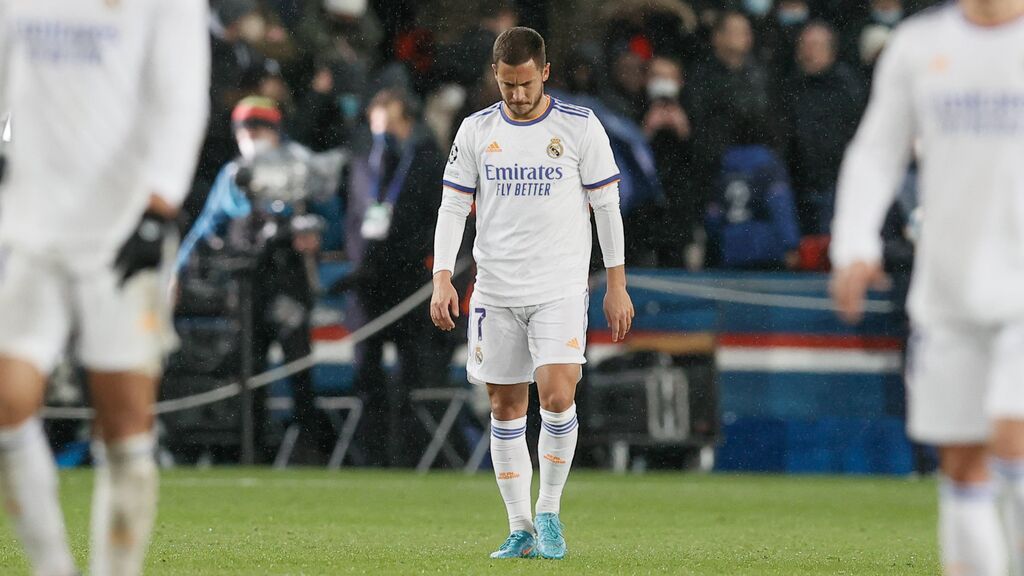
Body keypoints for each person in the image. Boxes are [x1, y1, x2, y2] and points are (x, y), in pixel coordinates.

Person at [0, 1, 209, 575]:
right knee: (6, 403)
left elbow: (180, 97)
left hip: (120, 231)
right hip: (29, 228)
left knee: (123, 421)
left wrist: (159, 205)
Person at [829, 1, 1024, 573]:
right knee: (963, 463)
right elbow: (877, 152)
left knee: (1013, 439)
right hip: (949, 288)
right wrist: (853, 247)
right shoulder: (918, 45)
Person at [430, 27, 634, 560]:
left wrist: (616, 283)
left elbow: (607, 207)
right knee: (504, 406)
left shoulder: (579, 127)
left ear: (544, 73)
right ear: (494, 76)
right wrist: (442, 277)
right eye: (506, 85)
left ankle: (549, 512)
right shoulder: (475, 131)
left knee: (559, 395)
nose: (516, 96)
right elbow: (453, 207)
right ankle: (519, 526)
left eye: (524, 84)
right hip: (495, 288)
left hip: (560, 286)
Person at [178, 96, 336, 464]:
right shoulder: (233, 173)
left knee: (299, 371)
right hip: (247, 282)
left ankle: (308, 451)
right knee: (249, 371)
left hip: (290, 279)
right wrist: (178, 273)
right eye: (246, 130)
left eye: (259, 129)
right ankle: (253, 451)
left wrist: (315, 234)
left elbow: (330, 214)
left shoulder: (301, 165)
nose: (252, 137)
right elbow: (207, 225)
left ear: (275, 131)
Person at [338, 89, 446, 468]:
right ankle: (370, 457)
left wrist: (412, 258)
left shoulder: (427, 161)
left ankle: (413, 457)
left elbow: (433, 218)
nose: (383, 134)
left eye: (391, 124)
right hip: (367, 286)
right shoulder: (361, 163)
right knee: (365, 374)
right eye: (376, 125)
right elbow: (353, 218)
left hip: (407, 283)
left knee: (411, 373)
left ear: (408, 122)